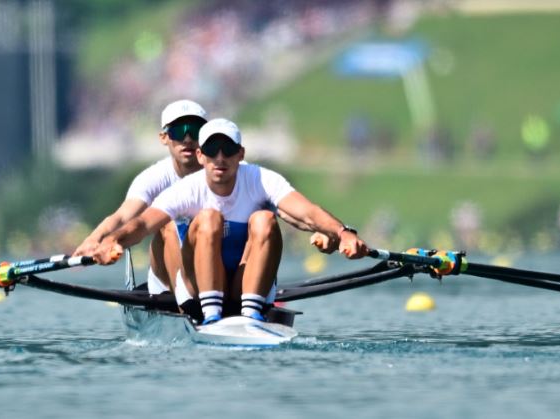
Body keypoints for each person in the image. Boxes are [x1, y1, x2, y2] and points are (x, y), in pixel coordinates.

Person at [92, 118, 368, 324]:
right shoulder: (187, 189)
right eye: (212, 150)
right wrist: (113, 241)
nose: (220, 158)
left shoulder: (261, 179)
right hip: (197, 290)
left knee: (264, 219)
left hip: (243, 286)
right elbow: (143, 224)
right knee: (209, 218)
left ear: (241, 154)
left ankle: (250, 313)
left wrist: (343, 232)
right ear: (200, 156)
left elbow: (307, 212)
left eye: (228, 149)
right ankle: (211, 314)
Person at [73, 99, 209, 295]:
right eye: (179, 131)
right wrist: (94, 239)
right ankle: (183, 298)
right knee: (166, 224)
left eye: (195, 131)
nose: (187, 139)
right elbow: (123, 216)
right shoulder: (154, 177)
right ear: (164, 137)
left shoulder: (225, 172)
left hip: (213, 270)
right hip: (168, 280)